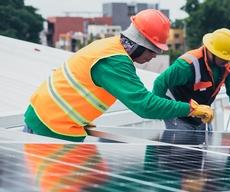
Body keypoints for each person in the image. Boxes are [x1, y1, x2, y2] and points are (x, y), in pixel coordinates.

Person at [23, 9, 213, 142]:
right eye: (153, 50)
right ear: (139, 44)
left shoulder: (110, 46)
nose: (154, 55)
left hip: (51, 119)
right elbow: (145, 106)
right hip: (51, 126)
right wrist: (190, 109)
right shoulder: (114, 61)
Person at [153, 28, 230, 139]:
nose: (227, 61)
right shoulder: (187, 65)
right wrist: (159, 110)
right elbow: (159, 83)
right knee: (182, 150)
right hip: (178, 115)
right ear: (212, 52)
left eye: (229, 58)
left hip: (201, 115)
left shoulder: (226, 65)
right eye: (223, 58)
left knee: (200, 150)